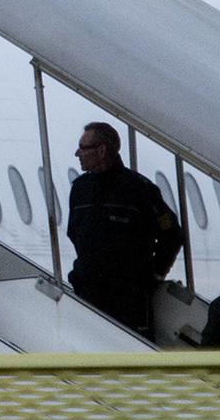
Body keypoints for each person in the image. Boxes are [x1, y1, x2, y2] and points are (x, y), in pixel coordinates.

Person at [65, 121, 181, 339]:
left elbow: (172, 234)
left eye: (83, 147)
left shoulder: (139, 189)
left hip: (128, 299)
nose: (77, 153)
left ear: (101, 150)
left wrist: (155, 274)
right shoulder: (80, 189)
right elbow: (74, 233)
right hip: (89, 292)